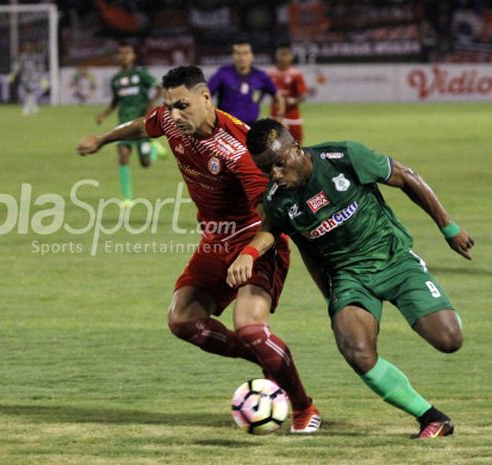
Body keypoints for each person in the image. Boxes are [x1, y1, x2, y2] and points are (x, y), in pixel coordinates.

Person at [77, 66, 322, 433]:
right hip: (214, 241)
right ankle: (265, 359)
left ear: (205, 97)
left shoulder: (238, 149)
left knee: (250, 327)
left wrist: (250, 253)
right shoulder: (171, 120)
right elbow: (144, 124)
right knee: (182, 320)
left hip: (257, 237)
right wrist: (102, 138)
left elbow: (273, 219)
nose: (175, 115)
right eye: (170, 106)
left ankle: (304, 408)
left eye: (183, 105)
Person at [227, 119, 474, 438]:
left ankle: (432, 304)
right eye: (266, 170)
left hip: (394, 259)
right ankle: (431, 417)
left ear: (296, 148)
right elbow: (286, 240)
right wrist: (252, 255)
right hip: (349, 279)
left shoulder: (344, 158)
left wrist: (449, 228)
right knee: (355, 349)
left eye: (279, 163)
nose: (275, 174)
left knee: (449, 340)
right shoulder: (278, 200)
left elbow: (407, 177)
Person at [95, 43, 163, 206]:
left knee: (145, 163)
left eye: (127, 53)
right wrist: (103, 115)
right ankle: (127, 198)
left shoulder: (141, 74)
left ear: (133, 56)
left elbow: (159, 88)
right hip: (123, 124)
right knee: (123, 156)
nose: (124, 56)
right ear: (118, 57)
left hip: (141, 125)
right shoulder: (116, 80)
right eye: (121, 53)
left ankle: (153, 149)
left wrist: (151, 103)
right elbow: (115, 102)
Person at [208, 40, 285, 126]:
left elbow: (277, 96)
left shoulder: (261, 76)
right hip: (226, 128)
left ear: (252, 56)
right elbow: (206, 95)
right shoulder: (223, 74)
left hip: (251, 128)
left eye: (245, 53)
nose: (242, 57)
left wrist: (280, 116)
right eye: (238, 53)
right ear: (233, 56)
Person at [267, 44, 309, 144]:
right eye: (281, 54)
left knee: (297, 144)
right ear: (277, 56)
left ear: (291, 57)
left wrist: (293, 100)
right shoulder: (270, 73)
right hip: (275, 115)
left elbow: (303, 95)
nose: (283, 58)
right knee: (274, 145)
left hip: (293, 116)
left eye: (286, 55)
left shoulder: (296, 74)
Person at [11, 42, 48, 116]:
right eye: (27, 47)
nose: (29, 48)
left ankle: (31, 106)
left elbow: (40, 68)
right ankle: (28, 107)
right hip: (25, 77)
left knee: (33, 92)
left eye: (30, 46)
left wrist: (43, 77)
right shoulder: (22, 57)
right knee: (27, 92)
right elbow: (18, 66)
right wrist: (13, 74)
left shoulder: (37, 57)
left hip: (34, 77)